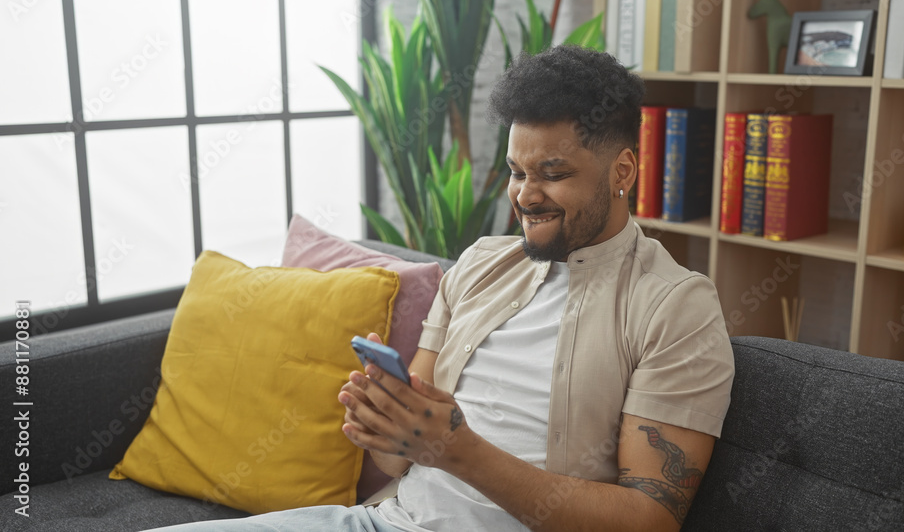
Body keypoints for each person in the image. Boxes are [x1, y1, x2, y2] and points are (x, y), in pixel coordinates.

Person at [152, 45, 734, 532]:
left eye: (553, 174)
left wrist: (459, 452)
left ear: (623, 172)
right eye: (516, 171)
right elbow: (394, 458)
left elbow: (650, 518)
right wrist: (385, 425)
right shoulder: (479, 266)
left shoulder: (676, 307)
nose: (526, 196)